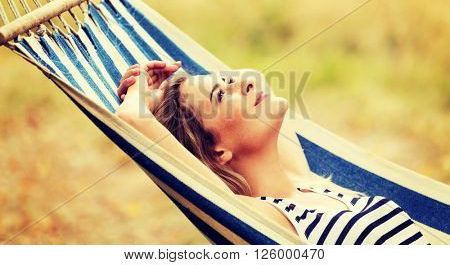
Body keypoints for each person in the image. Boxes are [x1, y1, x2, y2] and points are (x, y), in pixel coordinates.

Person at [115, 60, 430, 245]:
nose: (245, 83)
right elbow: (131, 119)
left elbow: (255, 77)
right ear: (217, 152)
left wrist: (171, 90)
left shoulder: (305, 180)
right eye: (221, 94)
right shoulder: (265, 219)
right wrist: (141, 93)